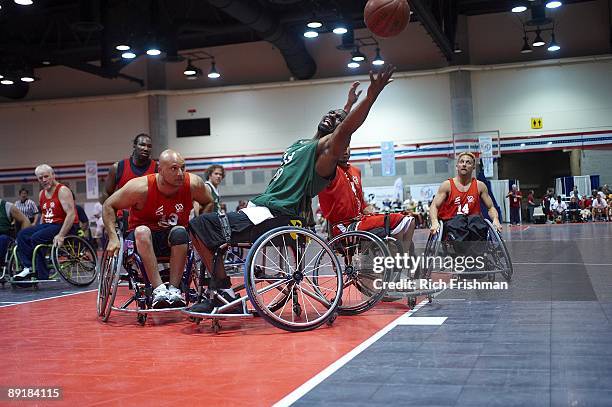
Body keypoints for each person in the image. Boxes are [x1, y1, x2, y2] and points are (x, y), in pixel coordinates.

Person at [188, 65, 396, 313]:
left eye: (338, 119)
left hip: (276, 215)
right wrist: (347, 104)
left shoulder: (325, 157)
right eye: (331, 112)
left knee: (201, 226)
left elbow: (345, 128)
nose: (332, 115)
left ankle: (222, 291)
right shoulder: (303, 145)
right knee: (201, 228)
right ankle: (221, 291)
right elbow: (340, 123)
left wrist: (370, 96)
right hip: (261, 210)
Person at [103, 149, 213, 308]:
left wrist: (200, 228)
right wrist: (113, 237)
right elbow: (109, 205)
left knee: (181, 231)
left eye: (183, 167)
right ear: (160, 170)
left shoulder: (193, 184)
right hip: (141, 240)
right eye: (174, 168)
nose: (180, 173)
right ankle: (159, 289)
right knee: (142, 231)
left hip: (173, 238)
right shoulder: (140, 187)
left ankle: (174, 290)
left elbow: (208, 202)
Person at [318, 147, 416, 252]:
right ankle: (398, 259)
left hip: (361, 219)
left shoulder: (356, 171)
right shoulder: (330, 171)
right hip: (345, 225)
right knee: (397, 220)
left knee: (409, 221)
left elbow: (360, 199)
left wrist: (366, 207)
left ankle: (401, 257)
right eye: (342, 146)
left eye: (347, 146)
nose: (345, 150)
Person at [429, 152, 502, 270]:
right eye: (461, 162)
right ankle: (464, 260)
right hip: (453, 221)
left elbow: (491, 207)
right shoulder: (447, 185)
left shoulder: (480, 186)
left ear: (473, 167)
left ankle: (477, 260)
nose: (464, 164)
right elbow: (434, 206)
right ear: (457, 165)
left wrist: (496, 219)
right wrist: (434, 222)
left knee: (477, 221)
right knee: (459, 221)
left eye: (468, 163)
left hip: (472, 221)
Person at [13, 165, 78, 281]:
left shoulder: (62, 190)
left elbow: (71, 214)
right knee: (22, 235)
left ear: (53, 175)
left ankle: (41, 272)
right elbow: (44, 214)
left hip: (63, 224)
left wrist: (61, 235)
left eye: (46, 176)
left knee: (36, 238)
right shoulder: (41, 193)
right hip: (48, 225)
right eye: (40, 178)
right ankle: (29, 267)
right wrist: (40, 227)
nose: (43, 180)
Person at [101, 133, 157, 203]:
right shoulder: (117, 167)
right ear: (134, 145)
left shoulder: (156, 168)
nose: (146, 148)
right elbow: (106, 193)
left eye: (149, 146)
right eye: (142, 145)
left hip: (147, 212)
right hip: (123, 212)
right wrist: (109, 211)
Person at [0, 197, 31, 265]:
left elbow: (26, 221)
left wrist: (20, 238)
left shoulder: (7, 206)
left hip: (5, 237)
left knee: (2, 238)